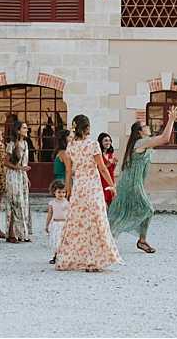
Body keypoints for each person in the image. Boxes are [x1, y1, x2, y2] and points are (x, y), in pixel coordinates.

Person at [107, 106, 177, 254]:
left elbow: (161, 138)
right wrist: (172, 119)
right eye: (144, 126)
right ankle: (136, 239)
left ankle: (112, 236)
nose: (148, 127)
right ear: (140, 132)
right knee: (147, 209)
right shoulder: (141, 143)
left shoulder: (144, 143)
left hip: (133, 183)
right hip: (131, 184)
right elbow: (165, 138)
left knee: (122, 211)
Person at [55, 115, 121, 272]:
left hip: (79, 187)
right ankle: (95, 261)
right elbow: (102, 168)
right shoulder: (93, 145)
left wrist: (69, 189)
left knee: (77, 222)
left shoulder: (71, 146)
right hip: (92, 187)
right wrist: (113, 185)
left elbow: (69, 171)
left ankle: (70, 257)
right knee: (96, 221)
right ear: (87, 128)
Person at [3, 120, 32, 243]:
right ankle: (11, 234)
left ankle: (21, 234)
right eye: (24, 128)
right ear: (18, 130)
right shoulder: (12, 144)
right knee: (14, 204)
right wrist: (19, 168)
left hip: (22, 176)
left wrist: (26, 177)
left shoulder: (25, 143)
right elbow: (5, 162)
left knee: (23, 204)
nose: (27, 130)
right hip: (13, 176)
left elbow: (24, 163)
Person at [45, 180, 70, 265]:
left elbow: (70, 214)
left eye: (64, 192)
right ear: (54, 192)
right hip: (55, 224)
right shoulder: (52, 203)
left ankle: (64, 256)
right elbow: (50, 214)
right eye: (59, 192)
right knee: (56, 241)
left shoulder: (67, 203)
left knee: (62, 241)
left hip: (64, 224)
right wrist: (47, 225)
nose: (61, 194)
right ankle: (55, 256)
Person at [97, 132, 118, 207]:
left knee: (110, 203)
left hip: (110, 180)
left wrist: (114, 164)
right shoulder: (98, 155)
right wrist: (108, 164)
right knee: (103, 204)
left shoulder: (110, 154)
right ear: (101, 142)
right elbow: (99, 169)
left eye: (109, 140)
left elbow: (111, 170)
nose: (108, 142)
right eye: (105, 140)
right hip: (101, 182)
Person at [53, 129, 72, 198]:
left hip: (59, 181)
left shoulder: (60, 151)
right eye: (70, 137)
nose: (72, 139)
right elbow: (68, 170)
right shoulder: (64, 153)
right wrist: (68, 187)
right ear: (65, 138)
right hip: (64, 181)